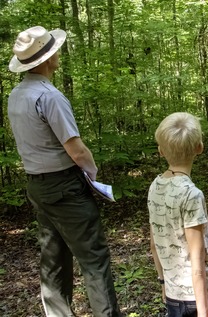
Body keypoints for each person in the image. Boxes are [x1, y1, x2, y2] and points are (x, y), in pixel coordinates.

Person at [7, 26, 121, 316]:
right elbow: (76, 150)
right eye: (53, 49)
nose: (58, 52)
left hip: (37, 186)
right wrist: (92, 176)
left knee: (53, 257)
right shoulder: (50, 96)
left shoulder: (16, 95)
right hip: (64, 187)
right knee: (94, 258)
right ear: (46, 59)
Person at [148, 112, 208, 317]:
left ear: (161, 151)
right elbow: (196, 258)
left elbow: (154, 243)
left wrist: (163, 282)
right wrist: (203, 310)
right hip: (204, 295)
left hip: (174, 292)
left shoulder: (155, 186)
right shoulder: (191, 195)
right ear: (199, 147)